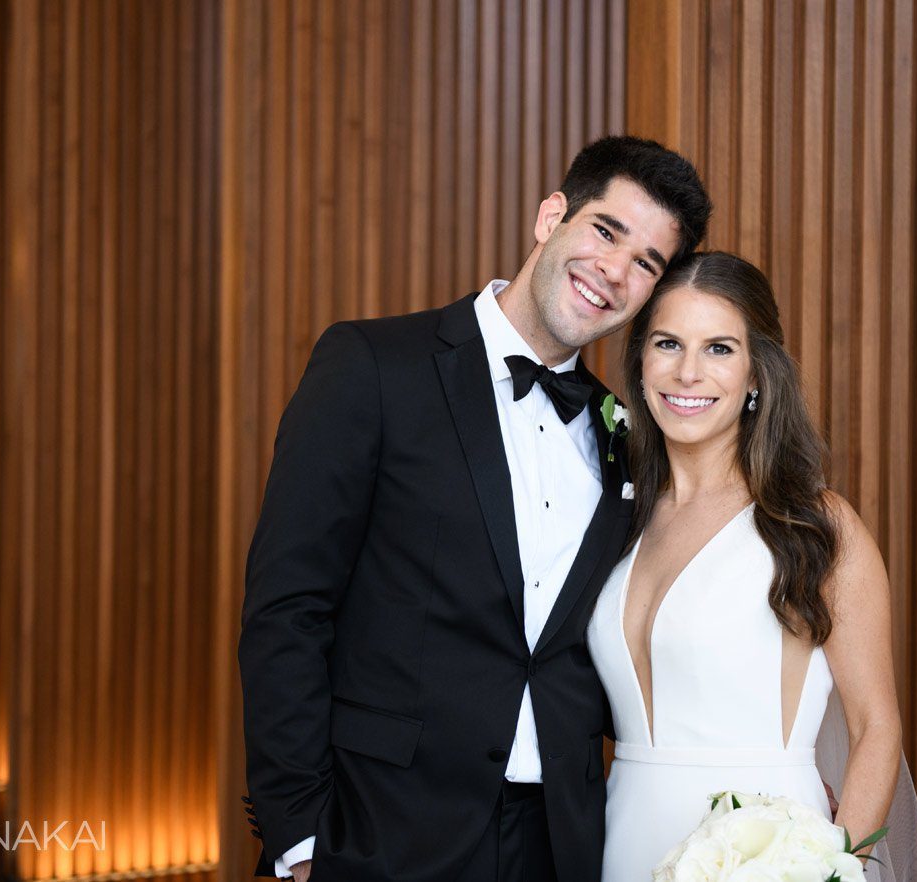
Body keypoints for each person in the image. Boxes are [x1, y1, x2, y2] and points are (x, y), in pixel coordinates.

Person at [238, 136, 712, 882]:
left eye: (647, 263)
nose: (614, 272)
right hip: (379, 828)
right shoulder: (371, 366)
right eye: (605, 231)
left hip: (556, 843)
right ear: (551, 216)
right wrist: (300, 837)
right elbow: (287, 608)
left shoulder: (628, 435)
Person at [587, 251, 917, 881]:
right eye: (668, 343)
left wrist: (832, 871)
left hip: (766, 859)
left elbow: (875, 727)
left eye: (719, 349)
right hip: (622, 842)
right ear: (639, 363)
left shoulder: (814, 525)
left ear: (755, 376)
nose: (688, 372)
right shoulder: (612, 517)